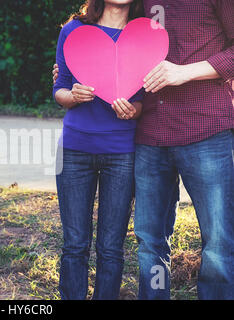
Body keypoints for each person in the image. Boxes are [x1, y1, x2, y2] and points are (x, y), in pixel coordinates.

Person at [53, 0, 234, 300]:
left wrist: (184, 72)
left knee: (217, 242)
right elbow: (95, 54)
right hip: (149, 136)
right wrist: (67, 80)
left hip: (205, 130)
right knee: (150, 242)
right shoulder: (140, 7)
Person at [53, 0, 145, 300]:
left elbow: (144, 98)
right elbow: (59, 90)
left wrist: (134, 110)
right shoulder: (74, 30)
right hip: (75, 150)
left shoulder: (143, 37)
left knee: (110, 247)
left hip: (122, 153)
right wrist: (73, 95)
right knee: (75, 244)